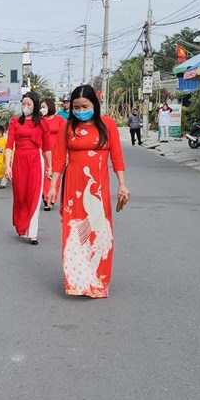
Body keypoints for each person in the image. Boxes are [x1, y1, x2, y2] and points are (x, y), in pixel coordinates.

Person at [48, 84, 130, 299]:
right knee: (74, 234)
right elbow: (58, 159)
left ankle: (99, 282)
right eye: (76, 107)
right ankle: (77, 281)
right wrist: (53, 186)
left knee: (100, 231)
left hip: (98, 189)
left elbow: (117, 156)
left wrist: (122, 184)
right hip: (73, 187)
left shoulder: (108, 125)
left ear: (94, 104)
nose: (80, 110)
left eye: (85, 106)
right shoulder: (67, 127)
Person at [5, 92, 52, 245]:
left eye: (29, 104)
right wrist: (7, 166)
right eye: (23, 104)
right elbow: (9, 146)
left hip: (36, 160)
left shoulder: (42, 123)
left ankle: (32, 233)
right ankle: (23, 226)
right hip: (19, 161)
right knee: (21, 196)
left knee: (34, 195)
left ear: (35, 105)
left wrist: (50, 167)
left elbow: (47, 147)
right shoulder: (14, 122)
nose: (25, 107)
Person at [41, 97, 67, 211]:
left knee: (56, 174)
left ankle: (52, 197)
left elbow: (65, 135)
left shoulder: (59, 119)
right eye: (41, 107)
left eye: (43, 107)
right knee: (45, 174)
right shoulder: (40, 120)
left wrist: (66, 152)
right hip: (44, 150)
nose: (42, 109)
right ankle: (46, 197)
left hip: (57, 150)